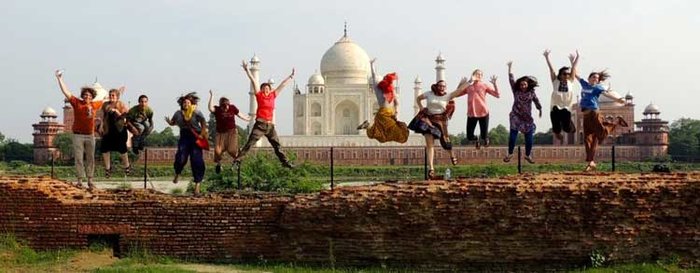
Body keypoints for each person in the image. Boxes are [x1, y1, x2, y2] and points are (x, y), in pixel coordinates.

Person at [234, 60, 295, 168]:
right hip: (260, 124)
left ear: (270, 89)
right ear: (261, 90)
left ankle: (285, 162)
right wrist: (247, 70)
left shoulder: (273, 95)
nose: (266, 89)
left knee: (277, 145)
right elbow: (253, 80)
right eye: (264, 88)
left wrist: (291, 76)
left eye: (267, 88)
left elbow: (282, 85)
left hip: (270, 126)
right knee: (250, 143)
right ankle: (238, 160)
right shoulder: (259, 95)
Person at [55, 70, 104, 189]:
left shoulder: (95, 105)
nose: (87, 97)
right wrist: (59, 79)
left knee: (91, 158)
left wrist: (118, 93)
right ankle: (80, 181)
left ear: (92, 97)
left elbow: (109, 100)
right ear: (82, 96)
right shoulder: (77, 103)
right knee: (79, 158)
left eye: (89, 95)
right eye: (85, 95)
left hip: (90, 135)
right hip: (78, 135)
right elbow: (66, 92)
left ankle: (90, 180)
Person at [575, 62, 628, 171]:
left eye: (597, 78)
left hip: (594, 113)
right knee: (587, 139)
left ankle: (616, 122)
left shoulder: (598, 88)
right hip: (585, 116)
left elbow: (607, 94)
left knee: (602, 134)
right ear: (589, 78)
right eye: (594, 77)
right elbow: (575, 74)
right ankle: (591, 162)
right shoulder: (584, 84)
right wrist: (574, 61)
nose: (595, 79)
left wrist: (618, 100)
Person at [409, 80, 460, 178]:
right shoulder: (429, 94)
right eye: (440, 86)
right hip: (429, 119)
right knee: (430, 144)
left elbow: (459, 91)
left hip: (441, 120)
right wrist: (420, 107)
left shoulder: (447, 96)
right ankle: (431, 168)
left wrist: (470, 81)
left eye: (444, 86)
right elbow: (418, 98)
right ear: (436, 86)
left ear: (445, 87)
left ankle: (452, 154)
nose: (442, 88)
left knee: (445, 141)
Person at [357, 58, 409, 144]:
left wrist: (371, 65)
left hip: (381, 114)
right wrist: (396, 114)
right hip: (388, 114)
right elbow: (397, 103)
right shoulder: (392, 92)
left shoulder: (378, 92)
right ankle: (369, 126)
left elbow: (373, 78)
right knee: (396, 135)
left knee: (381, 134)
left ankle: (369, 126)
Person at [165, 92, 208, 195]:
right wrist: (169, 123)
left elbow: (203, 122)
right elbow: (174, 122)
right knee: (181, 157)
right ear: (182, 104)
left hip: (195, 136)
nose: (186, 104)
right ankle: (177, 173)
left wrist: (202, 134)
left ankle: (197, 185)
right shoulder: (178, 113)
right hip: (184, 136)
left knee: (196, 159)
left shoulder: (196, 112)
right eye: (184, 102)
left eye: (188, 102)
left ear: (191, 103)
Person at [503, 61, 542, 164]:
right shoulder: (516, 92)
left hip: (527, 119)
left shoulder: (531, 93)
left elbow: (537, 101)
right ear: (519, 85)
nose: (523, 86)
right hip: (516, 116)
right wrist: (510, 68)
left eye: (525, 84)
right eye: (521, 85)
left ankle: (528, 155)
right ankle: (510, 153)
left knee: (529, 138)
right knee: (513, 135)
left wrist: (540, 108)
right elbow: (511, 80)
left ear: (528, 85)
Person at [452, 69, 500, 149]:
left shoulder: (484, 85)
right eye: (477, 74)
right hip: (472, 113)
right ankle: (476, 139)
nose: (479, 76)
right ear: (473, 75)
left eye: (480, 74)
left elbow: (497, 95)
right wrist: (460, 84)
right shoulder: (468, 86)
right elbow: (456, 94)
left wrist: (495, 84)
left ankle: (485, 139)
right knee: (469, 136)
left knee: (484, 136)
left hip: (483, 112)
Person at [208, 90, 250, 174]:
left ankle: (236, 161)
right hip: (220, 134)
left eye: (227, 105)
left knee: (232, 150)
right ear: (221, 105)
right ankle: (219, 164)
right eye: (224, 106)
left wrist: (247, 118)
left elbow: (239, 114)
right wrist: (211, 96)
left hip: (232, 132)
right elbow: (210, 108)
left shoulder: (232, 107)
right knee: (217, 151)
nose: (226, 108)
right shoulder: (218, 109)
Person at [544, 49, 578, 143]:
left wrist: (576, 59)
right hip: (555, 106)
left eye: (568, 74)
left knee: (567, 128)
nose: (566, 75)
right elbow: (551, 70)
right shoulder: (555, 81)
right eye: (564, 74)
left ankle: (570, 126)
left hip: (566, 107)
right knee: (556, 126)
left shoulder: (570, 81)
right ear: (560, 75)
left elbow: (574, 69)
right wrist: (547, 58)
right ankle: (557, 133)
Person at [99, 87, 130, 178]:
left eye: (113, 95)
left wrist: (116, 111)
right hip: (109, 129)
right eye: (110, 95)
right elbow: (103, 116)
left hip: (119, 129)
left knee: (122, 149)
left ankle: (127, 166)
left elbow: (126, 117)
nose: (111, 97)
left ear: (117, 97)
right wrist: (101, 125)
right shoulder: (105, 105)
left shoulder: (121, 104)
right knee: (104, 148)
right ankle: (108, 169)